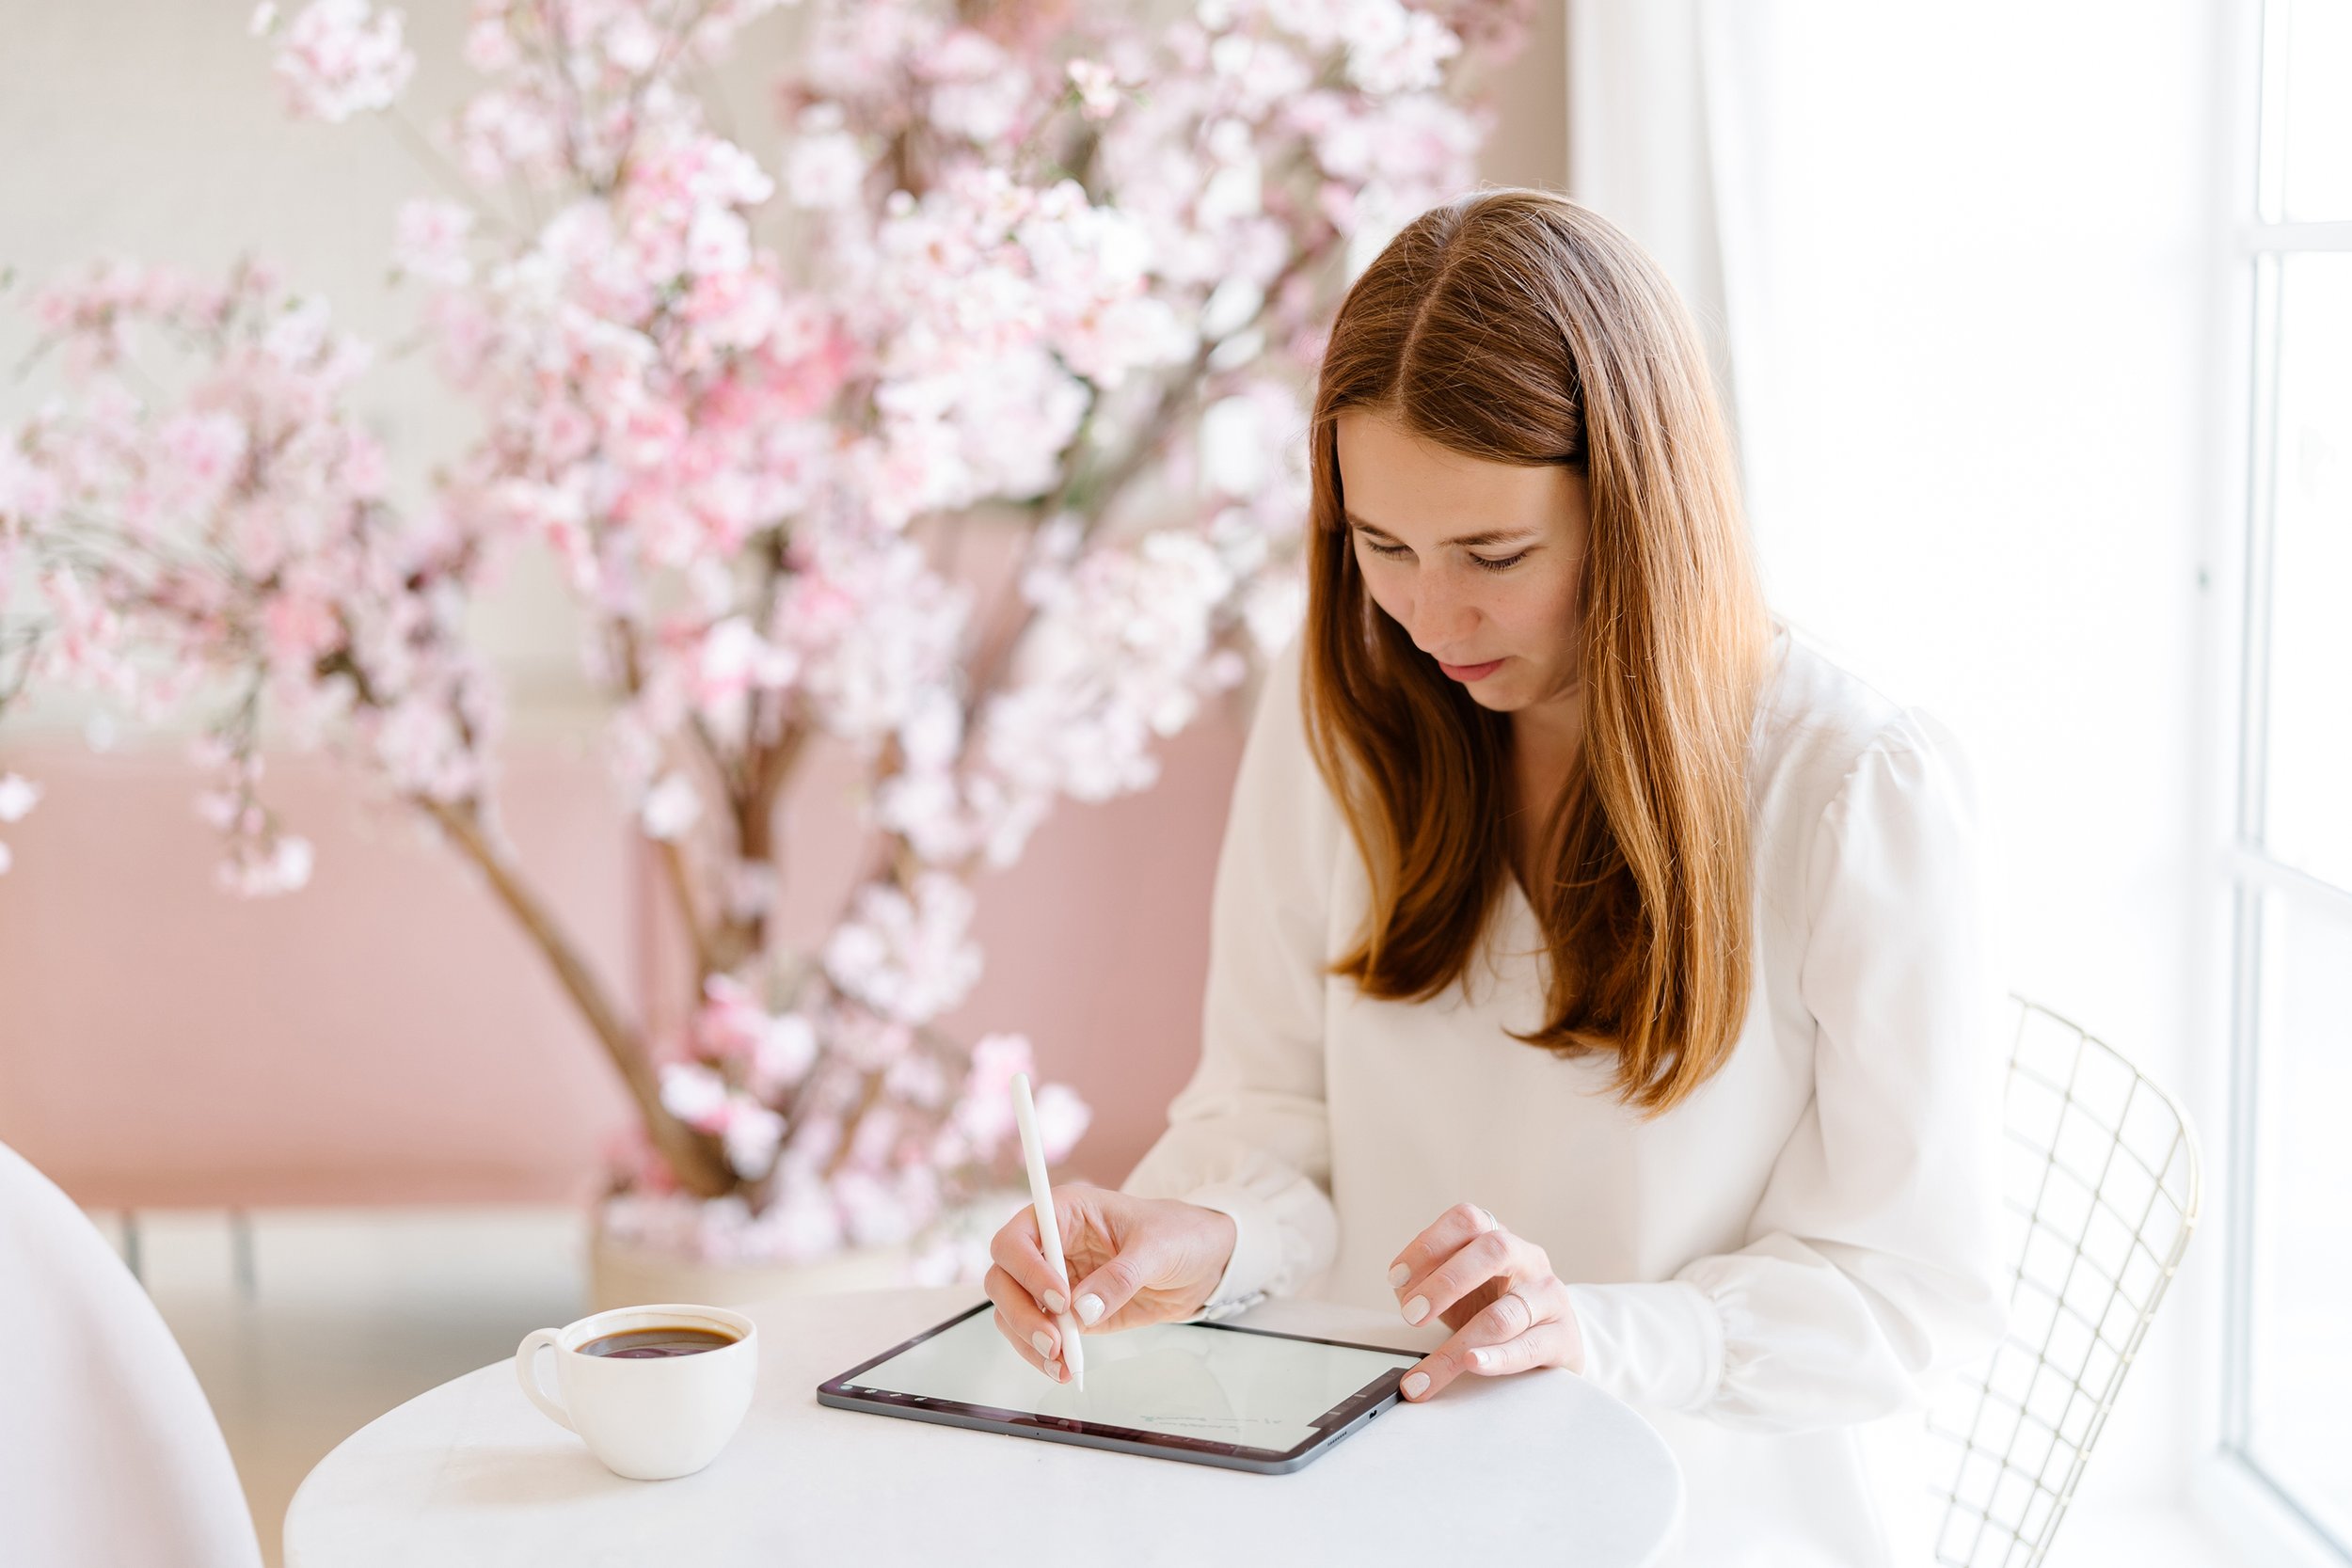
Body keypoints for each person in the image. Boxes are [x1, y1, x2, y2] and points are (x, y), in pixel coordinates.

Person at [983, 188, 2008, 1566]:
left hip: (1702, 1510)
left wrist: (1599, 1330)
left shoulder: (1846, 789)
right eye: (1381, 547)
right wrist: (1203, 1235)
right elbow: (1272, 1109)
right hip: (1387, 1488)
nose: (1431, 618)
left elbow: (1904, 1291)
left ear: (1640, 511)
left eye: (1496, 555)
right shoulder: (1343, 712)